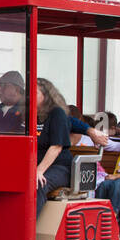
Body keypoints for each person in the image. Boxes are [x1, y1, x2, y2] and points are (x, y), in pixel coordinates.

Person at [33, 78, 73, 217]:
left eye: (35, 92)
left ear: (46, 95)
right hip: (34, 165)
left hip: (59, 167)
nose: (29, 96)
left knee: (36, 185)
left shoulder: (57, 114)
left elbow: (56, 146)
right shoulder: (28, 115)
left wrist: (39, 171)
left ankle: (27, 232)